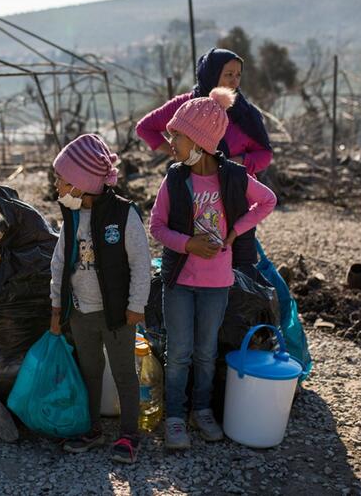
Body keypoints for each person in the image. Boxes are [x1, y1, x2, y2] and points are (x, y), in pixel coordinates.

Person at [148, 88, 277, 450]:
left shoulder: (234, 179)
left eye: (177, 136)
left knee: (206, 353)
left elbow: (267, 200)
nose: (170, 142)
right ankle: (175, 415)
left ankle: (201, 411)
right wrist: (188, 244)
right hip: (179, 282)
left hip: (217, 283)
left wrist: (235, 231)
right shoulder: (174, 179)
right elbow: (156, 226)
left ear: (200, 141)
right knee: (179, 352)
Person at [48, 133, 151, 464]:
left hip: (117, 315)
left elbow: (141, 264)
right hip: (81, 313)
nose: (58, 189)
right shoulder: (71, 214)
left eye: (62, 182)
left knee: (124, 373)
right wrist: (56, 307)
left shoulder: (124, 215)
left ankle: (129, 434)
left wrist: (137, 305)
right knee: (89, 370)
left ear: (82, 184)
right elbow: (60, 263)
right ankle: (91, 429)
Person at [136, 48, 274, 276]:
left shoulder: (246, 114)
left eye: (238, 75)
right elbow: (145, 128)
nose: (234, 80)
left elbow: (265, 154)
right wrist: (180, 152)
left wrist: (239, 162)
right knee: (190, 253)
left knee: (239, 260)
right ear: (211, 73)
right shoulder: (187, 107)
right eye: (228, 74)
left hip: (237, 197)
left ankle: (233, 306)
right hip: (192, 193)